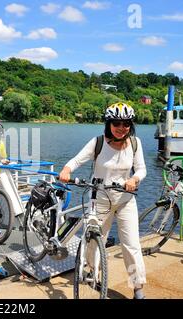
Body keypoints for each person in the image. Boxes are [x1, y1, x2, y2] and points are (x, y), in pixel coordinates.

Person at [58, 102, 147, 299]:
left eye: (126, 124)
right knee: (95, 242)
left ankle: (138, 287)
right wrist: (66, 169)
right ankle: (92, 272)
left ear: (130, 125)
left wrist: (134, 179)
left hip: (125, 200)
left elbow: (141, 169)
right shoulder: (97, 142)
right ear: (108, 123)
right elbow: (77, 160)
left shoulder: (135, 143)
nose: (121, 128)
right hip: (100, 199)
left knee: (131, 245)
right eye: (116, 123)